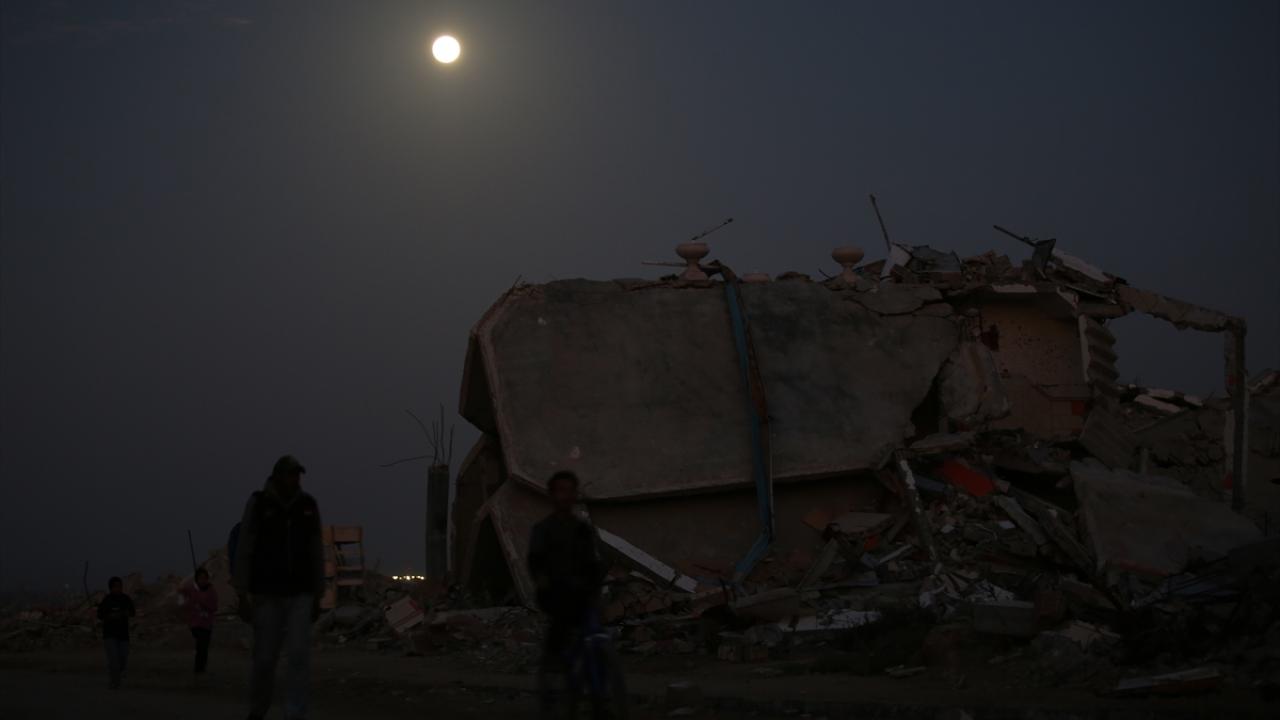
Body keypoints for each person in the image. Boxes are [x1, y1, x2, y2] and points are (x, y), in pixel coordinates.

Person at [231, 454, 324, 720]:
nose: (295, 480)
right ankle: (258, 709)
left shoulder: (307, 506)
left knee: (298, 656)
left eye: (297, 475)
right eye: (291, 474)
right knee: (264, 659)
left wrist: (318, 594)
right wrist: (241, 593)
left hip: (300, 593)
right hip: (267, 593)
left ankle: (295, 713)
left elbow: (316, 551)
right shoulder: (260, 504)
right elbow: (245, 548)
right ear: (278, 476)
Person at [527, 470, 606, 719]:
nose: (565, 496)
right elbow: (535, 563)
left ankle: (599, 695)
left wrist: (594, 586)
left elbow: (593, 562)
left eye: (570, 490)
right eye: (560, 490)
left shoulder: (583, 530)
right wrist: (545, 581)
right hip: (554, 594)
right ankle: (553, 673)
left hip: (582, 592)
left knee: (597, 638)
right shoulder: (543, 530)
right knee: (559, 631)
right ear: (552, 495)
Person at [96, 576, 135, 690]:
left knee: (123, 660)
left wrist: (126, 613)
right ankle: (115, 682)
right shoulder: (107, 600)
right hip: (110, 635)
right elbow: (100, 614)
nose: (118, 588)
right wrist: (110, 616)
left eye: (120, 586)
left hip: (123, 636)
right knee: (113, 659)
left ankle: (116, 677)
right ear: (111, 588)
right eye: (116, 586)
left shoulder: (126, 599)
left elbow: (133, 612)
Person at [180, 566, 219, 678]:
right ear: (196, 579)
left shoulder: (212, 591)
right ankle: (198, 669)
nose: (202, 580)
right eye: (200, 578)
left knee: (203, 647)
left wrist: (203, 603)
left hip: (207, 624)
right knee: (201, 645)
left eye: (204, 578)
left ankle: (201, 668)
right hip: (195, 624)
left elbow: (214, 607)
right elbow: (182, 590)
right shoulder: (193, 589)